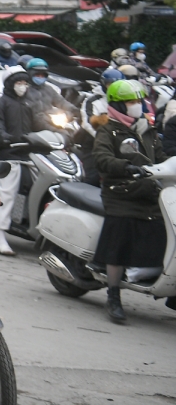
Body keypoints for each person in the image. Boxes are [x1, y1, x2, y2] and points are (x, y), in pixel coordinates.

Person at [90, 79, 172, 322]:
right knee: (122, 233)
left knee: (167, 227)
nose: (137, 105)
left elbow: (161, 156)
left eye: (139, 101)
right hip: (120, 192)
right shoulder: (108, 129)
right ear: (118, 104)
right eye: (131, 102)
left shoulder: (146, 128)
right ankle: (113, 295)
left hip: (148, 190)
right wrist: (126, 166)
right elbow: (102, 158)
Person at [0, 68, 36, 255]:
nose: (23, 86)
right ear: (10, 84)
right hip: (9, 156)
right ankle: (1, 236)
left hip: (29, 156)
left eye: (25, 83)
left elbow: (41, 122)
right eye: (19, 83)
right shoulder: (1, 104)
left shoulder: (29, 103)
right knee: (7, 195)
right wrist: (3, 137)